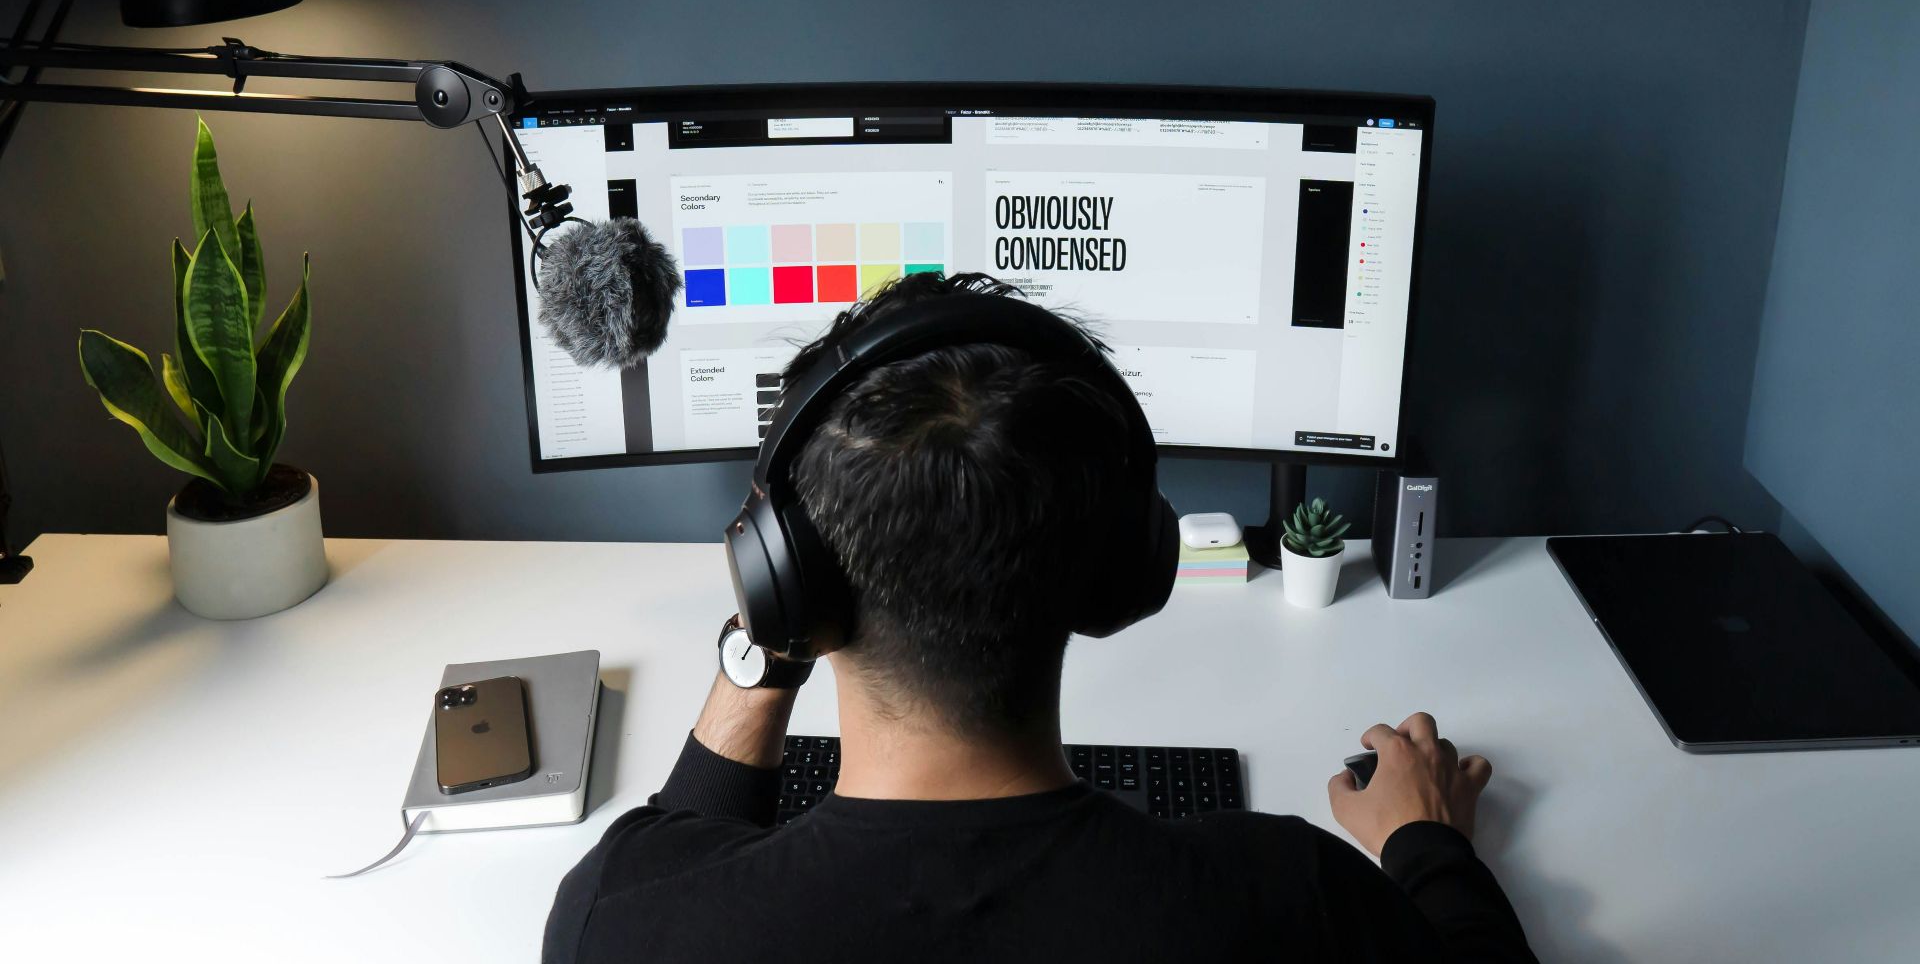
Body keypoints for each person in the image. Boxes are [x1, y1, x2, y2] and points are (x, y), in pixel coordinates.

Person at [544, 273, 1536, 963]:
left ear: (784, 583)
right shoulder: (1288, 899)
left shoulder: (621, 919)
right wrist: (1427, 842)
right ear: (1122, 572)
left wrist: (766, 643)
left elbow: (679, 838)